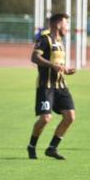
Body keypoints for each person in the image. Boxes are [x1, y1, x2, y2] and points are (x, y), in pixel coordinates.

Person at [27, 13, 76, 160]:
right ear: (59, 24)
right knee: (45, 119)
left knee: (70, 117)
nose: (67, 27)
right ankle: (31, 146)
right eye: (66, 24)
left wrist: (65, 70)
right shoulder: (44, 39)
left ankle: (52, 148)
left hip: (61, 86)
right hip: (46, 86)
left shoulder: (61, 42)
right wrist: (51, 65)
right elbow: (34, 57)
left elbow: (58, 65)